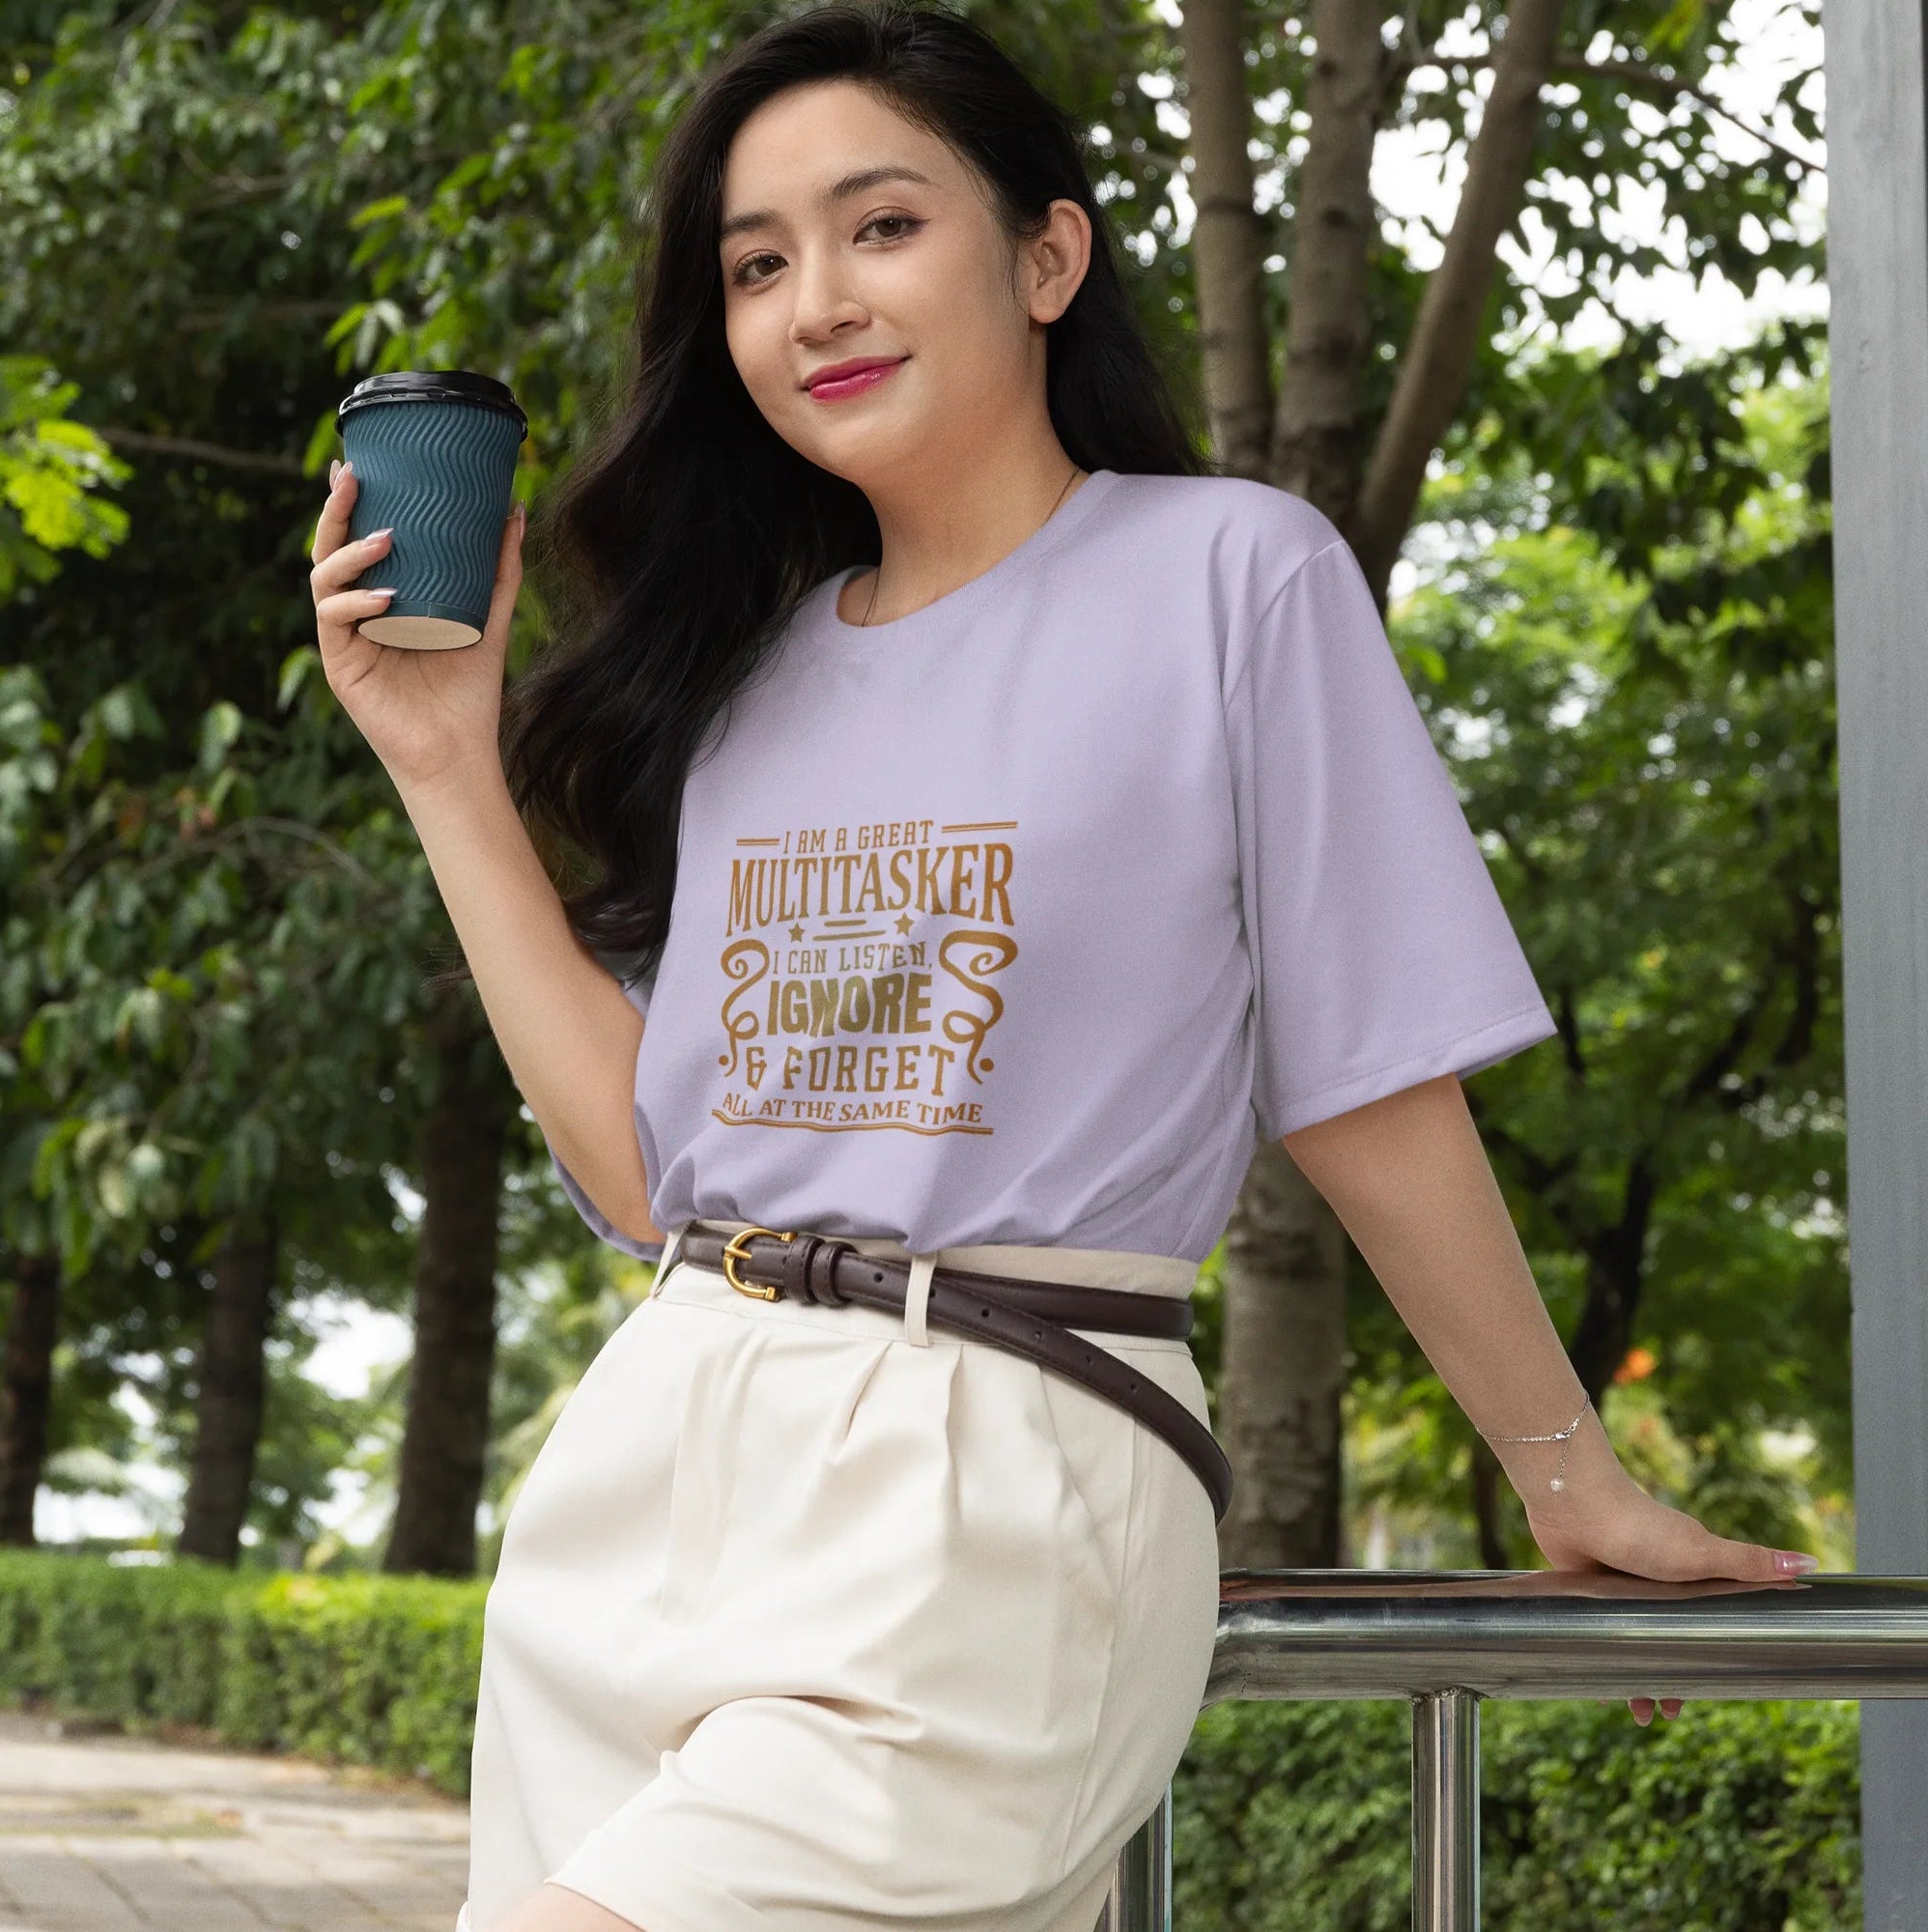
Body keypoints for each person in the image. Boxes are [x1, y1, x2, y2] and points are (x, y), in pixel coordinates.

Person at [307, 5, 1824, 1928]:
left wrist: (1564, 1467)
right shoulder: (748, 684)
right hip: (659, 1456)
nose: (813, 304)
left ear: (1046, 256)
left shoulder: (1233, 577)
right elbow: (644, 1173)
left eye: (879, 227)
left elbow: (1365, 1081)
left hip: (1003, 1459)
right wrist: (445, 767)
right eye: (755, 265)